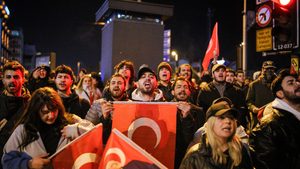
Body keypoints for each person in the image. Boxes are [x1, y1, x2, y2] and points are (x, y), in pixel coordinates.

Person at [1, 87, 93, 169]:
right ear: (35, 111)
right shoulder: (23, 130)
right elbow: (7, 160)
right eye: (45, 112)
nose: (51, 115)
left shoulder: (71, 120)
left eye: (54, 110)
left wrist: (77, 130)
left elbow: (95, 132)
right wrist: (29, 164)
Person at [249, 69, 300, 169]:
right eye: (290, 83)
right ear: (280, 93)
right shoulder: (268, 126)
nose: (297, 84)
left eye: (297, 81)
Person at [180, 102, 253, 169]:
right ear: (210, 123)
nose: (228, 121)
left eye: (231, 118)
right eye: (221, 117)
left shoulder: (241, 150)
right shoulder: (195, 155)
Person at [0, 61, 31, 169]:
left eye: (16, 77)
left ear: (23, 79)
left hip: (20, 161)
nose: (12, 80)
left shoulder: (31, 105)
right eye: (8, 77)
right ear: (3, 80)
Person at [197, 64, 247, 128]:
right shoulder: (205, 91)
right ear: (212, 74)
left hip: (232, 126)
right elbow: (201, 111)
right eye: (217, 71)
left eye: (223, 71)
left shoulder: (237, 91)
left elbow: (242, 110)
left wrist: (236, 123)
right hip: (212, 127)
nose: (220, 72)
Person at [85, 73, 129, 144]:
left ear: (125, 87)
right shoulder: (98, 104)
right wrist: (104, 118)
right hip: (103, 146)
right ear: (109, 86)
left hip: (123, 146)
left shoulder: (131, 105)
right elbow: (87, 127)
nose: (116, 85)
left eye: (119, 83)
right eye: (113, 83)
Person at [171, 77, 204, 169]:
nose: (182, 90)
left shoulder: (199, 112)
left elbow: (197, 137)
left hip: (192, 158)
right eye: (179, 87)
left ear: (190, 91)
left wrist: (187, 117)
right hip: (171, 157)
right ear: (172, 92)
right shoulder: (165, 110)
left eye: (185, 87)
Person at [246, 60, 276, 129]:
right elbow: (249, 102)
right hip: (259, 121)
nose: (269, 71)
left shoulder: (278, 84)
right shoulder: (254, 85)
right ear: (262, 70)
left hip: (274, 120)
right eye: (267, 69)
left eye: (271, 69)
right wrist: (253, 108)